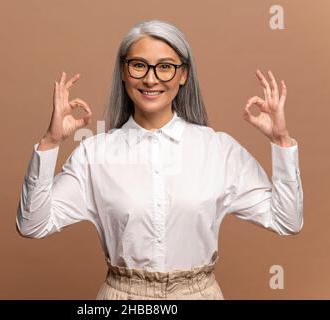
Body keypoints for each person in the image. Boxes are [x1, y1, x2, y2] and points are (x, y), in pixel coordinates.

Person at [16, 20, 303, 300]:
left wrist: (281, 141)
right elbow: (32, 225)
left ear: (183, 74)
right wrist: (50, 142)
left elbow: (286, 221)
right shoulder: (94, 153)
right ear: (124, 72)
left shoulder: (219, 150)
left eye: (165, 66)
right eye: (139, 65)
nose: (151, 79)